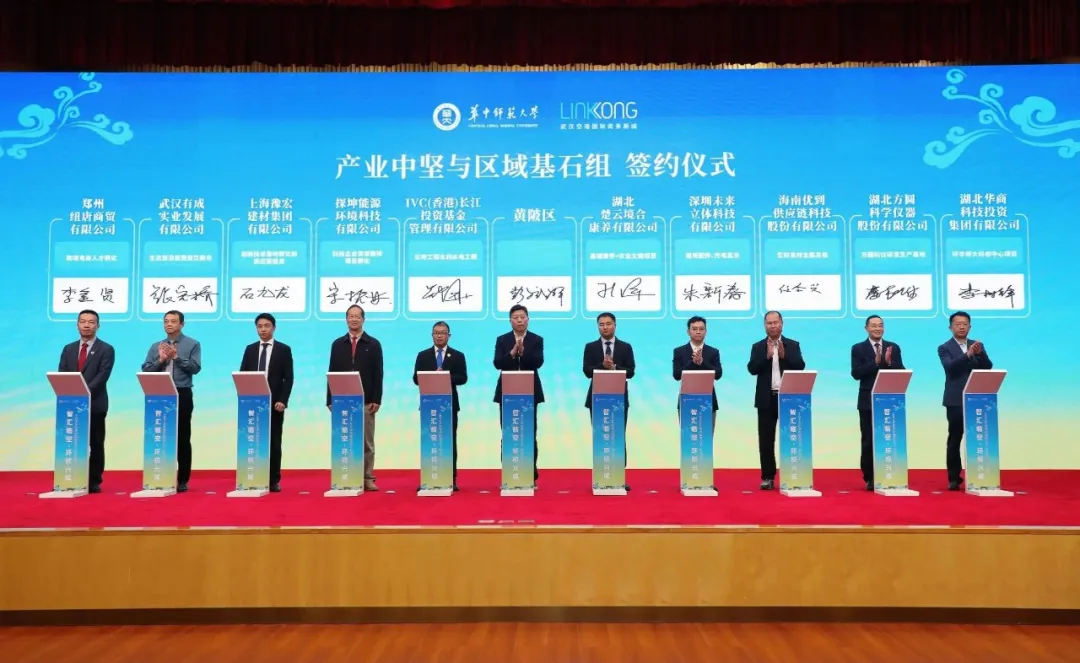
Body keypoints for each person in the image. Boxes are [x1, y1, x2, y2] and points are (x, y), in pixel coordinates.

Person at [141, 310, 201, 493]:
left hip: (182, 393)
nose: (169, 324)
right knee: (159, 435)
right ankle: (160, 475)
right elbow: (146, 370)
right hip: (159, 394)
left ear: (182, 324)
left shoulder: (192, 344)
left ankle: (182, 480)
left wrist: (176, 357)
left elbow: (195, 368)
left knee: (182, 437)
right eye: (166, 321)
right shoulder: (156, 346)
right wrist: (161, 360)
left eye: (173, 321)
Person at [326, 304, 383, 491]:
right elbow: (331, 371)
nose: (354, 319)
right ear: (346, 319)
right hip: (342, 401)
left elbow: (378, 374)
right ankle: (346, 475)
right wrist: (330, 399)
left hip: (366, 401)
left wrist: (377, 399)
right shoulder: (337, 344)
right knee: (345, 439)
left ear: (363, 320)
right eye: (351, 316)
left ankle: (367, 478)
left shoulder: (373, 344)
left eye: (358, 316)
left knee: (366, 442)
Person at [57, 309, 115, 494]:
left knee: (95, 444)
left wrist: (83, 393)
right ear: (77, 325)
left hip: (95, 404)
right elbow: (63, 373)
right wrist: (71, 394)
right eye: (83, 322)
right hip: (71, 405)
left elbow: (102, 376)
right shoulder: (68, 349)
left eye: (91, 322)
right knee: (72, 442)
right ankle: (71, 478)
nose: (87, 325)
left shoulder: (106, 349)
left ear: (98, 325)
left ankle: (94, 481)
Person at [747, 310, 805, 490]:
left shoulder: (792, 345)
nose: (772, 326)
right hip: (766, 399)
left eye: (775, 322)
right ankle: (767, 477)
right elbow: (752, 369)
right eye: (769, 323)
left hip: (788, 398)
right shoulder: (758, 346)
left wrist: (784, 356)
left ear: (782, 324)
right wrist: (765, 357)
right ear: (764, 326)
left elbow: (800, 366)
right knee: (766, 440)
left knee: (791, 438)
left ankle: (792, 475)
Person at [937, 310, 992, 491]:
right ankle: (954, 478)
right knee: (955, 438)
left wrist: (980, 354)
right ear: (950, 327)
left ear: (970, 326)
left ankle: (979, 475)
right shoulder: (944, 348)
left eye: (965, 324)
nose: (961, 327)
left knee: (978, 437)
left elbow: (987, 368)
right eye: (957, 324)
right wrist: (968, 354)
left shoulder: (977, 345)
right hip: (955, 400)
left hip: (977, 398)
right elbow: (950, 367)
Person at [239, 313, 294, 493]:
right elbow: (243, 374)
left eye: (267, 326)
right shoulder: (250, 349)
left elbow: (289, 378)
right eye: (260, 326)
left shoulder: (283, 349)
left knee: (274, 442)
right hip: (252, 403)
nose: (263, 329)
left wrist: (283, 400)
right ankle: (253, 475)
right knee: (253, 440)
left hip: (274, 404)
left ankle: (273, 480)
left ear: (274, 328)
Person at [850, 314, 905, 491]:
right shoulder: (858, 348)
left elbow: (901, 371)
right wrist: (875, 363)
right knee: (868, 440)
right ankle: (870, 477)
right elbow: (856, 373)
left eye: (880, 325)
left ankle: (891, 473)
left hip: (890, 399)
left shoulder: (893, 347)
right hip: (867, 400)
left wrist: (888, 363)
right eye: (873, 325)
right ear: (866, 328)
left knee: (889, 437)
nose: (877, 328)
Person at [582, 312, 636, 489]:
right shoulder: (590, 347)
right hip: (597, 398)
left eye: (608, 324)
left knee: (618, 437)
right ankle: (601, 477)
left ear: (615, 325)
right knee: (601, 437)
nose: (605, 327)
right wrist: (602, 366)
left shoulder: (625, 347)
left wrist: (614, 367)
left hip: (619, 399)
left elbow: (631, 371)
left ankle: (619, 477)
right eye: (601, 324)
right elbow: (587, 371)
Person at [412, 320, 468, 491]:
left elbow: (463, 378)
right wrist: (431, 376)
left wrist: (445, 376)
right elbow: (416, 379)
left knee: (449, 441)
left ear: (448, 336)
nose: (439, 336)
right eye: (436, 333)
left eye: (442, 333)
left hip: (449, 405)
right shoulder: (423, 355)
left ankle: (451, 478)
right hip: (428, 405)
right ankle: (428, 478)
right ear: (432, 335)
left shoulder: (458, 355)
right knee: (429, 441)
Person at [493, 304, 544, 486]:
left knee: (529, 432)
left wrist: (524, 353)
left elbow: (538, 362)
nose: (520, 320)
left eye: (523, 317)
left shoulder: (536, 339)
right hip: (507, 392)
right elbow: (497, 363)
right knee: (508, 432)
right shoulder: (502, 340)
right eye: (516, 318)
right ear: (510, 321)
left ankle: (530, 474)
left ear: (528, 319)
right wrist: (513, 353)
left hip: (530, 392)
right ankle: (509, 472)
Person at [671, 314, 723, 429]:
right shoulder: (679, 351)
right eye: (694, 329)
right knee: (688, 437)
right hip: (686, 400)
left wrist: (702, 362)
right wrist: (693, 362)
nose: (698, 332)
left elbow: (718, 374)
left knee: (707, 437)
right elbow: (676, 375)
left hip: (708, 401)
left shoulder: (713, 352)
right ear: (688, 332)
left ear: (706, 331)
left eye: (701, 329)